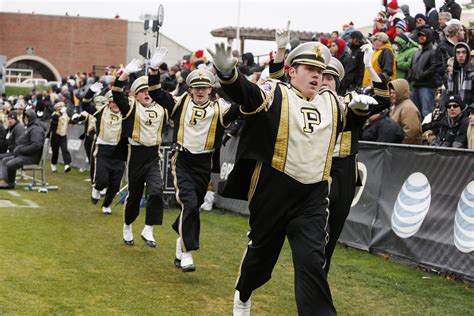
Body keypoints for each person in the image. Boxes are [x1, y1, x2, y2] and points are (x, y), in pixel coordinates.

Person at [208, 36, 342, 314]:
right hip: (273, 189)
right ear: (292, 71)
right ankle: (243, 294)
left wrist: (371, 103)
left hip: (313, 195)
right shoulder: (275, 92)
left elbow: (359, 112)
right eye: (309, 70)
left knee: (312, 262)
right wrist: (228, 75)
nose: (316, 76)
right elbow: (247, 94)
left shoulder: (330, 101)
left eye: (320, 72)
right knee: (262, 255)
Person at [147, 48, 240, 272]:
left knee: (193, 207)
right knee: (189, 203)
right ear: (190, 89)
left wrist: (240, 77)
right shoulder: (180, 103)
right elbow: (157, 94)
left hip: (204, 163)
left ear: (211, 89)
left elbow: (241, 106)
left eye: (204, 87)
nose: (200, 91)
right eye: (196, 87)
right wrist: (153, 71)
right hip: (183, 160)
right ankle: (188, 252)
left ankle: (181, 238)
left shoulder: (220, 108)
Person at [320, 54, 389, 273]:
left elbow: (384, 99)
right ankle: (312, 275)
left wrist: (370, 66)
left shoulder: (350, 102)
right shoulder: (303, 104)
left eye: (330, 78)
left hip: (345, 171)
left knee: (335, 229)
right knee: (318, 228)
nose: (324, 82)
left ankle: (321, 274)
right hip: (317, 168)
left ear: (337, 82)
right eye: (321, 76)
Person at [112, 58, 168, 248]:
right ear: (135, 95)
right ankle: (127, 225)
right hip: (135, 155)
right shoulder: (130, 106)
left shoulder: (161, 108)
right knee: (134, 195)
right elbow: (117, 93)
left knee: (156, 190)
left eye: (148, 91)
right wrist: (124, 74)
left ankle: (149, 228)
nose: (147, 94)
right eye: (142, 91)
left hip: (153, 155)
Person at [75, 83, 127, 215]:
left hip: (120, 151)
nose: (115, 104)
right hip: (103, 149)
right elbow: (85, 105)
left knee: (115, 184)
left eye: (117, 102)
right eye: (112, 102)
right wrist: (90, 91)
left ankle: (106, 205)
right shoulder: (101, 111)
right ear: (108, 102)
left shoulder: (127, 112)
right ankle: (96, 188)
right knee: (102, 179)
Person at [0, 110, 45, 189]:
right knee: (4, 160)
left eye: (28, 118)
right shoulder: (29, 128)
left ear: (32, 118)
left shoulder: (36, 130)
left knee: (10, 163)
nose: (26, 119)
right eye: (25, 118)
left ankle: (10, 183)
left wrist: (21, 150)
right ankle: (4, 180)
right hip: (23, 155)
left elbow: (36, 146)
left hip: (31, 157)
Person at [408, 28, 439, 118]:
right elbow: (411, 67)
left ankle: (428, 132)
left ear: (429, 37)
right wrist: (410, 76)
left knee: (427, 114)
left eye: (423, 35)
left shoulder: (433, 51)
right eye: (419, 35)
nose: (420, 37)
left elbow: (434, 68)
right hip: (415, 86)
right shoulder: (417, 52)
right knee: (415, 114)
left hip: (427, 87)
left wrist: (421, 76)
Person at [388, 79, 422, 144]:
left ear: (400, 92)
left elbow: (411, 132)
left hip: (406, 150)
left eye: (394, 93)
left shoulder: (408, 108)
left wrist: (401, 146)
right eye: (390, 92)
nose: (391, 95)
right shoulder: (395, 106)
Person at [47, 102, 72, 173]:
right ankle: (53, 164)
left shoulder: (66, 115)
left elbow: (70, 121)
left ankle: (67, 164)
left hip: (63, 135)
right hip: (55, 136)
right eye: (60, 109)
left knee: (65, 149)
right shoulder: (54, 114)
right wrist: (48, 136)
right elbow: (54, 119)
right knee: (55, 151)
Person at [446, 42, 473, 107]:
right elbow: (449, 94)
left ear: (468, 54)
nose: (461, 55)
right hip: (455, 109)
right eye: (458, 52)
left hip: (469, 110)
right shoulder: (453, 73)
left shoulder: (472, 72)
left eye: (464, 52)